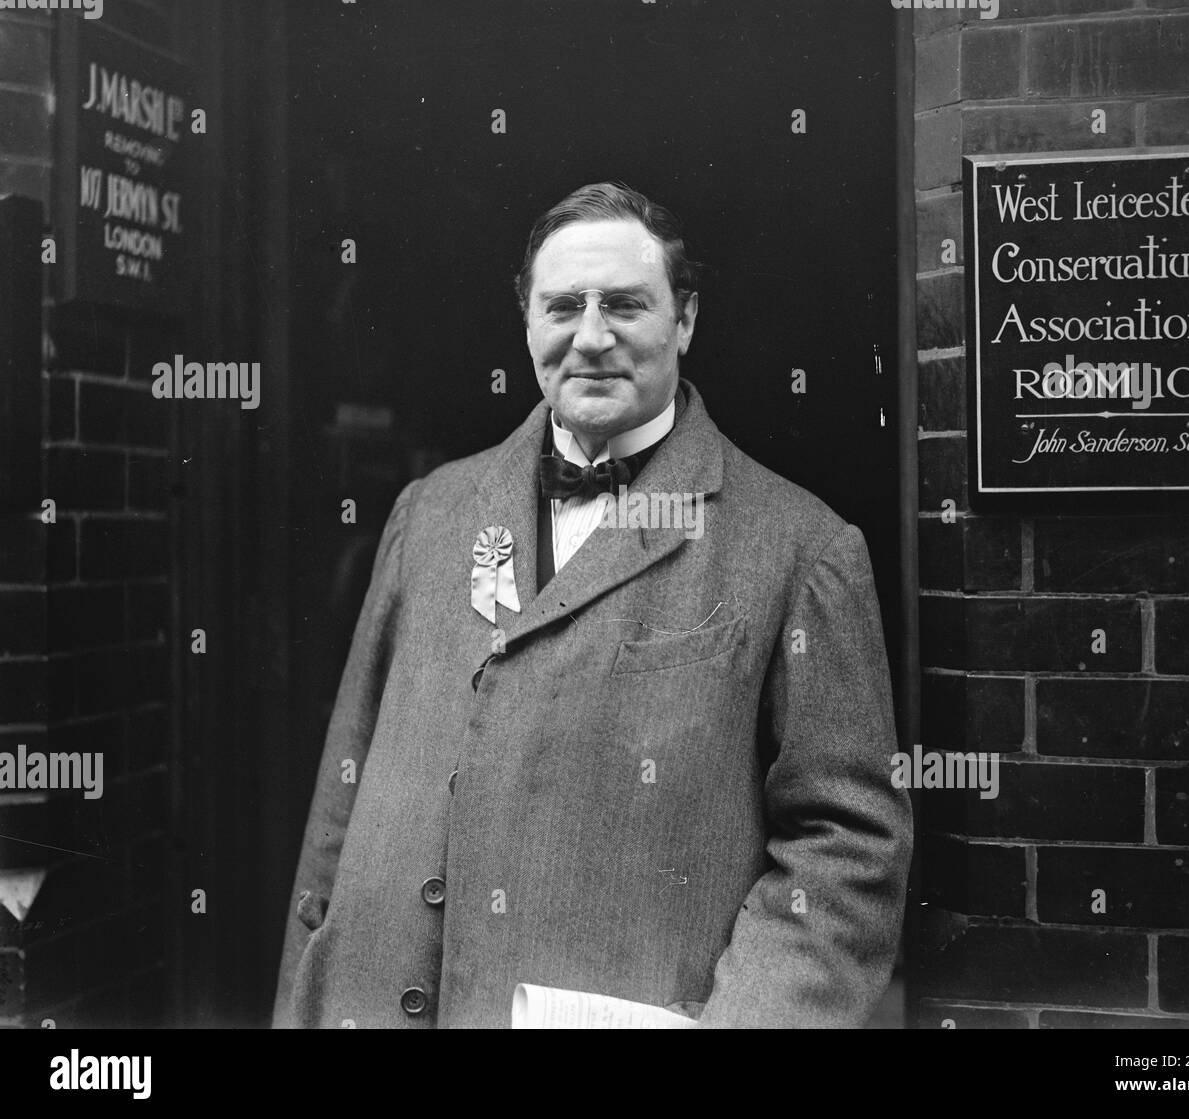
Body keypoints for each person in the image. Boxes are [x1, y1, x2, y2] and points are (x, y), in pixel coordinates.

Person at [273, 181, 912, 1028]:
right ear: (528, 323)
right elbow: (341, 799)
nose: (593, 336)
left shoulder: (801, 549)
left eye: (625, 305)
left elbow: (848, 853)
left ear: (684, 320)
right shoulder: (429, 514)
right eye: (563, 306)